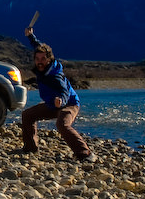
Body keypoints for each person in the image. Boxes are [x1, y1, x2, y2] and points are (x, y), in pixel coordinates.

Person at [21, 27, 96, 162]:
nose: (40, 61)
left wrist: (61, 100)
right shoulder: (43, 67)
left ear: (49, 59)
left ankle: (86, 154)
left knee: (62, 125)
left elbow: (64, 91)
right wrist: (30, 36)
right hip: (52, 103)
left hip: (69, 104)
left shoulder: (55, 75)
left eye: (43, 59)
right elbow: (38, 46)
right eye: (37, 58)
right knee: (27, 115)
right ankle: (30, 148)